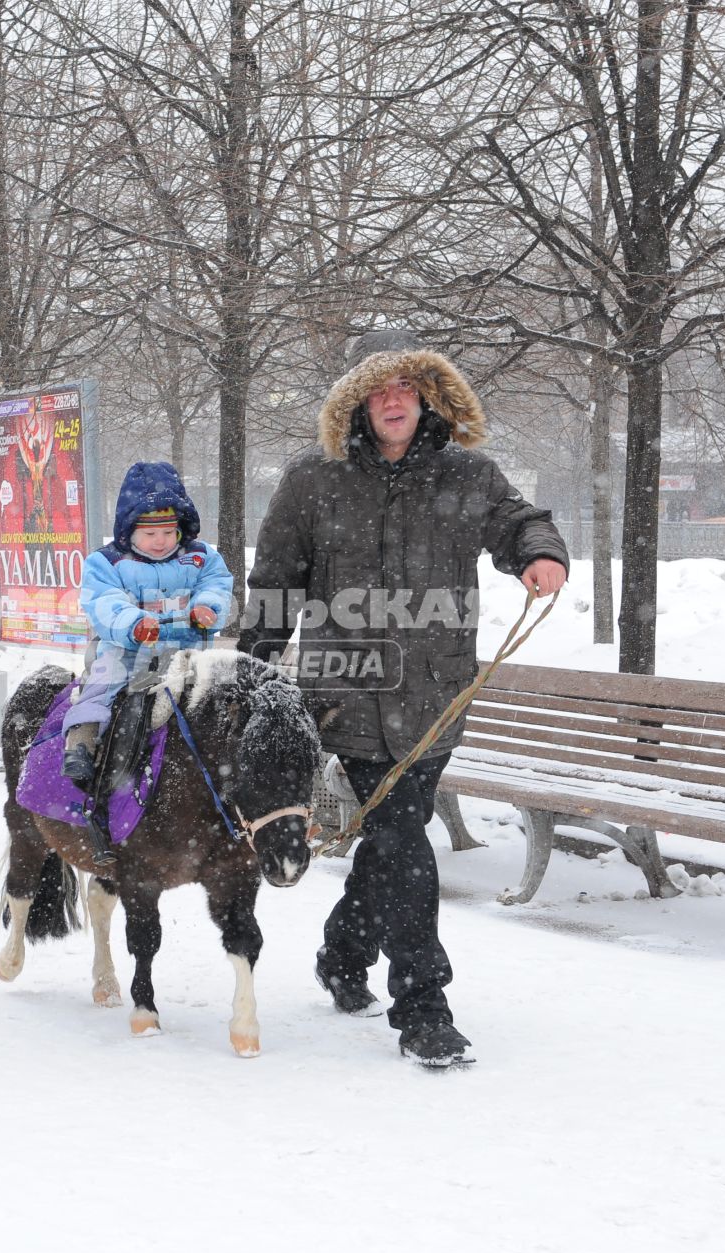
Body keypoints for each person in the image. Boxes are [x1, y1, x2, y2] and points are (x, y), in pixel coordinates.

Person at [238, 329, 569, 1069]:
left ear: (427, 396)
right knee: (401, 844)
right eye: (378, 389)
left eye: (406, 387)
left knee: (394, 839)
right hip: (344, 700)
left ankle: (342, 949)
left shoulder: (469, 476)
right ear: (356, 401)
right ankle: (423, 1005)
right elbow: (275, 583)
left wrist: (540, 552)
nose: (393, 401)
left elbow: (517, 521)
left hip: (433, 703)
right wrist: (253, 670)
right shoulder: (312, 480)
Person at [62, 461, 234, 798]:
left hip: (189, 655)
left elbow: (217, 584)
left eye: (169, 532)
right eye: (151, 533)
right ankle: (81, 740)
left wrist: (208, 606)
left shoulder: (200, 557)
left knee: (225, 694)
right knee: (102, 682)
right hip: (127, 654)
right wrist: (133, 623)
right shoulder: (107, 562)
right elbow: (104, 602)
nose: (161, 541)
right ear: (130, 530)